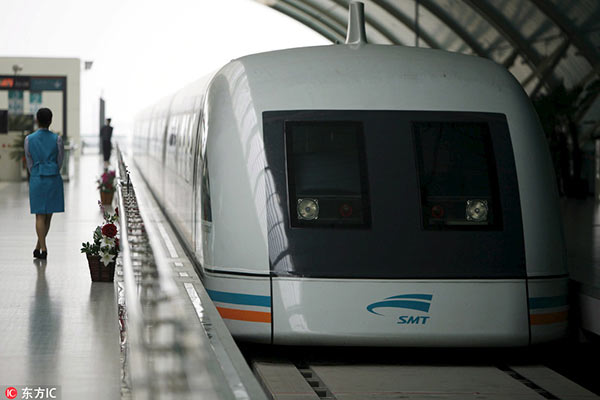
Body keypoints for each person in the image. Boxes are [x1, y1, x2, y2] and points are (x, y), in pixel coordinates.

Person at [25, 108, 64, 260]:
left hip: (37, 177)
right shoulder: (57, 139)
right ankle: (43, 247)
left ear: (37, 120)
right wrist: (52, 169)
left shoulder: (29, 139)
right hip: (53, 177)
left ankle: (40, 247)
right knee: (48, 216)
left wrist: (35, 171)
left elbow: (29, 161)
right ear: (50, 120)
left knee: (39, 215)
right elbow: (60, 160)